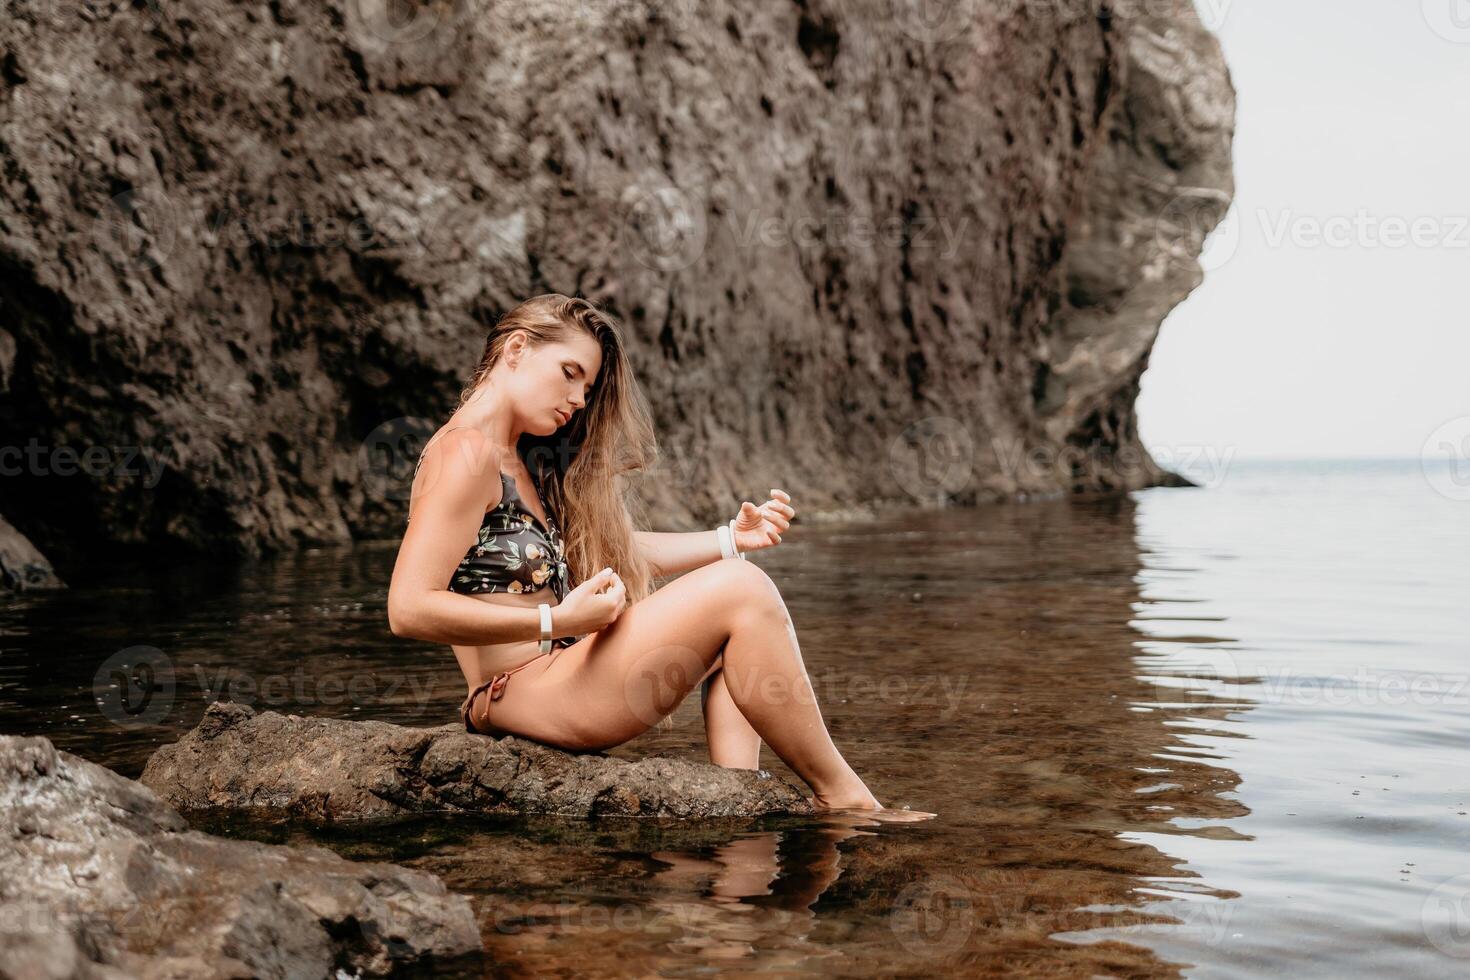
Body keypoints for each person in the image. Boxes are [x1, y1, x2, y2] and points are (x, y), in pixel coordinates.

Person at [387, 293, 923, 816]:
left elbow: (610, 550)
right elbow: (408, 607)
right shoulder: (464, 453)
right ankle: (845, 796)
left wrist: (730, 539)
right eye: (570, 372)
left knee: (738, 609)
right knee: (742, 591)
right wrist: (558, 618)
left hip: (562, 673)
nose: (578, 400)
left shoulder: (523, 458)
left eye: (588, 387)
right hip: (514, 693)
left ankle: (736, 808)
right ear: (517, 349)